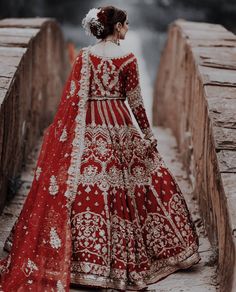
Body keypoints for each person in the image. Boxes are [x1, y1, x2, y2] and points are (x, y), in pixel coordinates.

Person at [0, 5, 201, 292]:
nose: (128, 28)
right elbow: (136, 103)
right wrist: (147, 135)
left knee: (82, 186)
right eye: (126, 24)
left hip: (86, 129)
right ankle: (121, 262)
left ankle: (80, 262)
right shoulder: (127, 58)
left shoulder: (84, 57)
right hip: (119, 126)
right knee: (129, 186)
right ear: (117, 28)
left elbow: (70, 98)